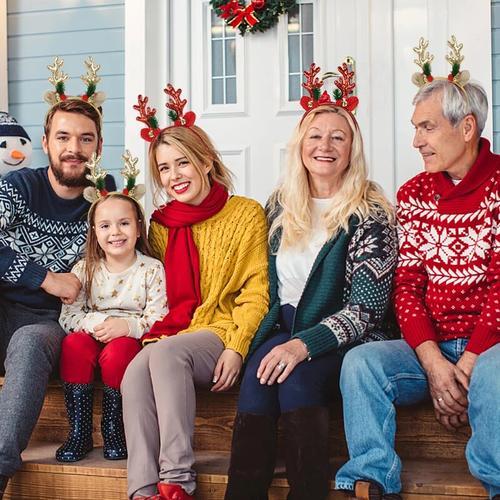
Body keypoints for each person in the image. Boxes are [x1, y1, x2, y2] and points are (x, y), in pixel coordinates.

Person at [335, 37, 500, 500]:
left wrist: (465, 365)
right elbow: (405, 288)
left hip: (491, 348)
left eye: (426, 128)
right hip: (432, 348)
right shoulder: (413, 195)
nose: (416, 141)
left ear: (466, 127)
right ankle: (372, 475)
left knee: (494, 375)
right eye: (415, 128)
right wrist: (433, 365)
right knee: (361, 363)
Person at [224, 62, 398, 500]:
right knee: (257, 379)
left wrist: (303, 345)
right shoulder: (280, 205)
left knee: (296, 380)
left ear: (352, 149)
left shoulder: (370, 212)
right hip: (282, 325)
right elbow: (259, 283)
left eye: (338, 137)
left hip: (346, 339)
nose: (325, 145)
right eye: (315, 136)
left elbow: (367, 310)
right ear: (299, 145)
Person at [121, 85, 269, 500]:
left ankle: (177, 480)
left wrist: (237, 346)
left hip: (220, 329)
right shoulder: (162, 225)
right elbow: (153, 286)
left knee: (166, 354)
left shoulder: (245, 213)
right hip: (178, 328)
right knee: (135, 371)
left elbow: (256, 292)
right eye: (164, 169)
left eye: (182, 163)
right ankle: (143, 489)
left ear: (206, 162)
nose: (174, 176)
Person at [0, 57, 114, 497]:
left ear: (98, 146)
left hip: (50, 324)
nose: (74, 148)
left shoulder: (104, 204)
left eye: (85, 140)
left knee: (29, 342)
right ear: (45, 142)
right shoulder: (20, 186)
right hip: (6, 306)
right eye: (63, 137)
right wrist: (44, 276)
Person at [56, 153, 167, 463]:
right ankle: (79, 431)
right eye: (105, 225)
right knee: (74, 344)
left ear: (139, 227)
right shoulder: (84, 269)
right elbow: (69, 315)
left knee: (120, 353)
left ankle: (113, 427)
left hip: (128, 339)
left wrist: (128, 327)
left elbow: (159, 316)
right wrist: (94, 323)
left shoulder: (151, 269)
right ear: (94, 232)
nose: (115, 232)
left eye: (124, 223)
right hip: (93, 332)